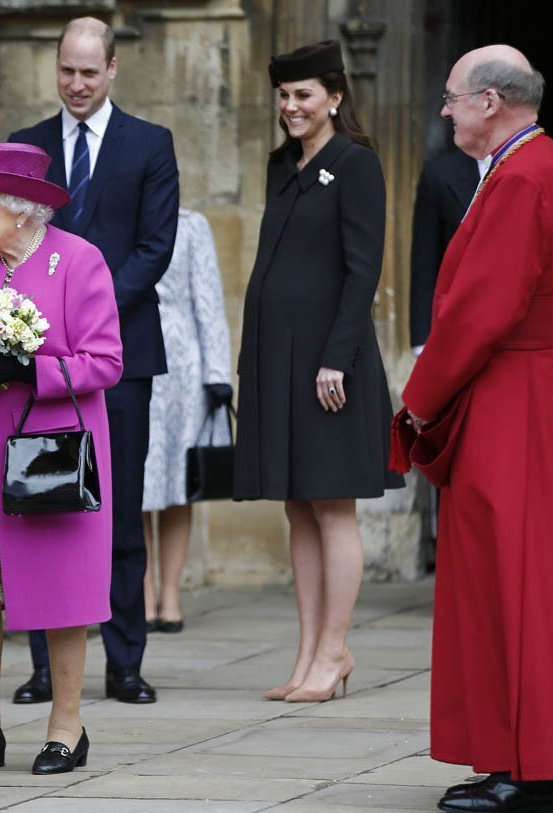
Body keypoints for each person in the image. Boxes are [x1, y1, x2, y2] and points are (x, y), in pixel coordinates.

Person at [400, 46, 553, 812]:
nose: (447, 111)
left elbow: (480, 308)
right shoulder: (533, 165)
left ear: (491, 101)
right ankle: (520, 758)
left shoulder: (523, 175)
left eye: (453, 99)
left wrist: (419, 399)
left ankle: (528, 769)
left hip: (510, 393)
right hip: (524, 389)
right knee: (515, 580)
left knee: (515, 580)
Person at [0, 142, 122, 775]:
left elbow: (106, 362)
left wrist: (29, 367)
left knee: (61, 591)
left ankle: (67, 726)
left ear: (20, 207)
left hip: (50, 453)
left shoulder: (79, 260)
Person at [8, 15, 178, 706]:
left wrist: (89, 312)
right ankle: (45, 666)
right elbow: (9, 242)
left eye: (89, 71)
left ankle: (125, 660)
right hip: (36, 363)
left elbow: (154, 247)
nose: (76, 84)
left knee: (118, 507)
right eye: (66, 71)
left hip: (121, 360)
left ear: (112, 70)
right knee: (39, 506)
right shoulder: (27, 146)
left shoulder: (149, 144)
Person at [233, 40, 403, 703]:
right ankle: (307, 653)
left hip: (331, 365)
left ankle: (335, 650)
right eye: (283, 95)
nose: (291, 106)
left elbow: (363, 269)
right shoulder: (283, 165)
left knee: (333, 506)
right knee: (296, 505)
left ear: (334, 96)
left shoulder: (356, 165)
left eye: (304, 94)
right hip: (280, 362)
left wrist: (337, 357)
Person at [410, 149, 553, 370]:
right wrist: (423, 345)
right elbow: (425, 265)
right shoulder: (439, 173)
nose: (446, 112)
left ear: (491, 111)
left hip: (529, 336)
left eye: (453, 109)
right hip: (460, 335)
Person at [141, 208, 233, 632]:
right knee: (135, 484)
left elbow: (210, 299)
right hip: (128, 356)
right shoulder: (115, 214)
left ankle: (171, 595)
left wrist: (217, 373)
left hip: (181, 366)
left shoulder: (191, 224)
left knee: (179, 482)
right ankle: (140, 595)